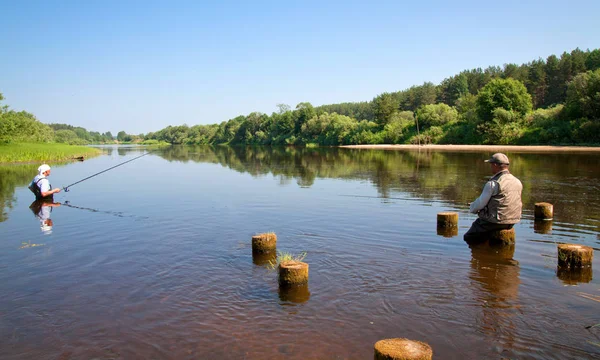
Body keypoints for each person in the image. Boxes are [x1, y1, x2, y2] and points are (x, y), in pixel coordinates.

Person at [464, 153, 522, 239]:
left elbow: (480, 204)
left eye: (491, 164)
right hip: (512, 221)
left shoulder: (493, 183)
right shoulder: (517, 181)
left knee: (469, 237)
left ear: (495, 165)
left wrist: (472, 207)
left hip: (496, 221)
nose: (490, 167)